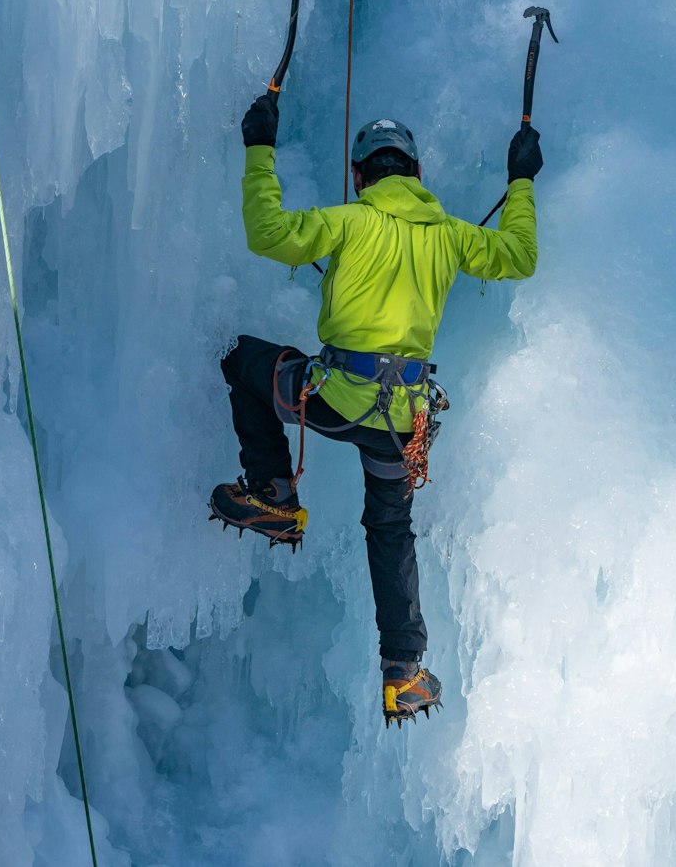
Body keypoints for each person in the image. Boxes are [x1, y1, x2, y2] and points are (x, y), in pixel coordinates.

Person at [209, 90, 540, 724]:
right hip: (402, 424)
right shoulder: (451, 235)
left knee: (241, 360)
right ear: (417, 173)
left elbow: (269, 233)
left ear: (360, 176)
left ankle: (275, 494)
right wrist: (520, 180)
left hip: (333, 400)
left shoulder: (348, 221)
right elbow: (519, 255)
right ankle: (403, 672)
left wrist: (259, 147)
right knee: (390, 530)